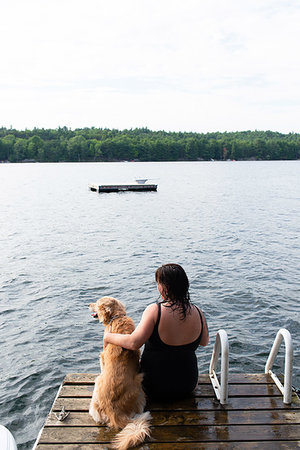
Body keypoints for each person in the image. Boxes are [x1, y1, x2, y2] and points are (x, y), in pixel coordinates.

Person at [103, 263, 209, 399]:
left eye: (158, 283)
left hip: (154, 387)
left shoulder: (155, 311)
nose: (158, 287)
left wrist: (108, 336)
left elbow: (133, 343)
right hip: (188, 385)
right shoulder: (198, 312)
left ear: (165, 288)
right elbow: (204, 342)